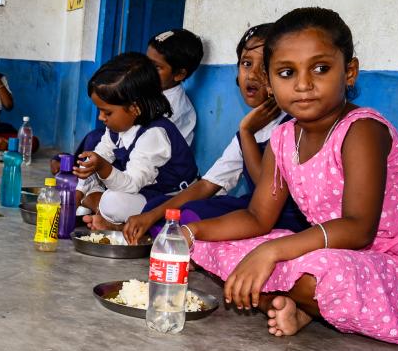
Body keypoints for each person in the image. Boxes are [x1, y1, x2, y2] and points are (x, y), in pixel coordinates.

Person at [185, 7, 398, 344]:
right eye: (286, 73)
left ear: (349, 72)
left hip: (397, 268)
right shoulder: (283, 138)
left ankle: (287, 300)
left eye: (320, 69)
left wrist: (271, 252)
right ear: (269, 81)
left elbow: (358, 228)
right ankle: (291, 305)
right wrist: (191, 232)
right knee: (214, 247)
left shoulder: (362, 130)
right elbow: (257, 217)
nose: (304, 84)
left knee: (318, 274)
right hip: (331, 251)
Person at [122, 24, 307, 243]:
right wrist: (150, 215)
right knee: (160, 212)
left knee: (191, 219)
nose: (253, 74)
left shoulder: (292, 127)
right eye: (246, 64)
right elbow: (208, 184)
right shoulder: (247, 130)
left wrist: (247, 132)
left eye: (266, 65)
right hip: (251, 209)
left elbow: (267, 192)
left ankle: (201, 248)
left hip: (288, 217)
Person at [72, 53, 197, 227]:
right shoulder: (117, 128)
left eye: (107, 112)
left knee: (112, 202)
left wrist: (102, 167)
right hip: (144, 189)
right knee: (81, 179)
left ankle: (109, 217)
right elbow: (99, 155)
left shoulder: (154, 134)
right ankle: (94, 204)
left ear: (135, 108)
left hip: (172, 198)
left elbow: (130, 185)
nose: (101, 117)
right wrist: (78, 191)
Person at [146, 28, 203, 146]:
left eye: (156, 67)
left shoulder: (174, 109)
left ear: (179, 74)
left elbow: (151, 147)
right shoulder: (151, 91)